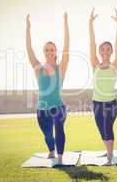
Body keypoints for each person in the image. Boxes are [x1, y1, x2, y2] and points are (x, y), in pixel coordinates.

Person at [25, 13, 69, 164]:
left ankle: (61, 157)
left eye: (52, 50)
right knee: (47, 135)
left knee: (59, 128)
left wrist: (65, 23)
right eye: (47, 50)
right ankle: (51, 150)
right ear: (44, 52)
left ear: (56, 52)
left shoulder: (61, 68)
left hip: (58, 106)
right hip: (42, 108)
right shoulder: (38, 68)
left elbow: (67, 47)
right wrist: (28, 28)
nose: (50, 52)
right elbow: (29, 49)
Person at [89, 8, 117, 165]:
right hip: (96, 102)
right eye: (103, 49)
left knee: (107, 127)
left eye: (108, 49)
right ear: (99, 51)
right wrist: (90, 24)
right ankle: (108, 151)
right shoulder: (95, 64)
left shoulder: (115, 65)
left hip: (110, 103)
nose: (105, 51)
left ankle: (110, 157)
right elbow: (92, 43)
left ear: (111, 51)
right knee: (101, 130)